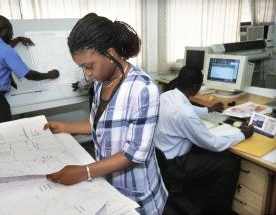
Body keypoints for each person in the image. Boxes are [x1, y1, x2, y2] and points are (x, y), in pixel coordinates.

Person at [43, 13, 168, 214]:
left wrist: (83, 172)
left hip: (137, 195)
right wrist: (66, 127)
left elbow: (134, 153)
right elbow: (101, 124)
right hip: (109, 184)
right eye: (82, 68)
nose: (87, 73)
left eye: (88, 66)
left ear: (110, 54)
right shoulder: (102, 82)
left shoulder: (142, 89)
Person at [154, 66, 254, 214]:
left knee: (209, 151)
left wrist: (208, 110)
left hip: (161, 158)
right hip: (175, 164)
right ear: (196, 86)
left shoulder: (167, 96)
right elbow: (213, 144)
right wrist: (242, 135)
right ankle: (213, 211)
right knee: (229, 162)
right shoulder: (185, 114)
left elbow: (186, 108)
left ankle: (199, 192)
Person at [0, 14, 59, 127]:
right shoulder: (6, 50)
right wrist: (49, 75)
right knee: (3, 134)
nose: (11, 35)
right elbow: (29, 74)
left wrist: (19, 39)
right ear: (4, 31)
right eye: (11, 32)